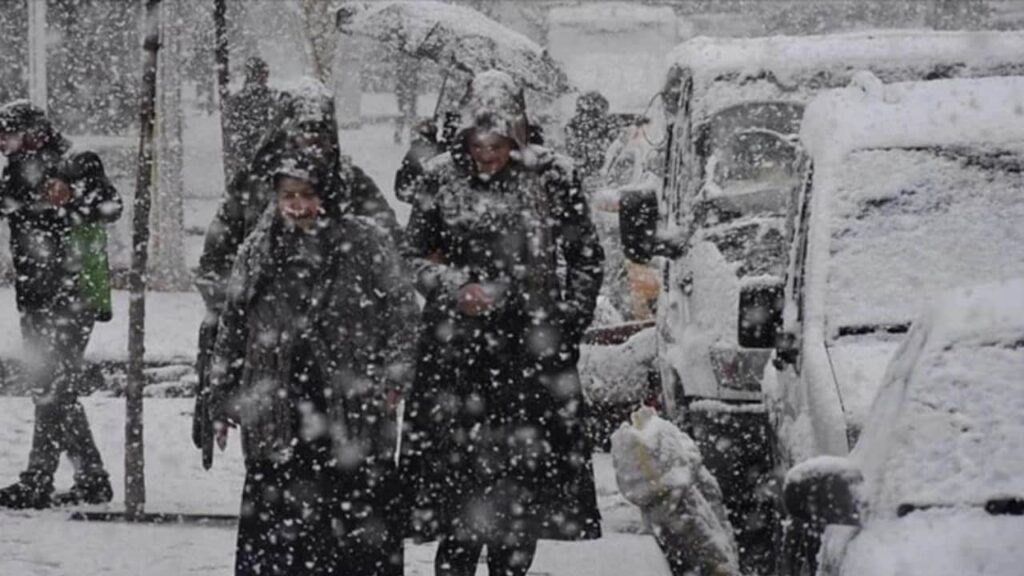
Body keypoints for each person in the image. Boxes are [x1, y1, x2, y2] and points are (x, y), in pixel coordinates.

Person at [402, 70, 606, 576]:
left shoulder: (553, 176)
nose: (487, 154)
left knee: (520, 505)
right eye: (478, 142)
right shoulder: (440, 177)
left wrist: (565, 323)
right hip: (455, 360)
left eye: (497, 143)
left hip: (529, 361)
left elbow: (586, 258)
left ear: (517, 133)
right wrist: (453, 286)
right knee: (456, 504)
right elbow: (409, 258)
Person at [207, 149, 418, 576]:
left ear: (330, 194)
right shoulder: (258, 249)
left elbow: (402, 311)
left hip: (351, 407)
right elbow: (231, 326)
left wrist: (395, 372)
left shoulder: (365, 241)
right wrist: (221, 398)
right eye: (289, 195)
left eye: (308, 194)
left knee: (355, 530)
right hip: (277, 408)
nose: (298, 206)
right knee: (281, 537)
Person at [0, 100, 122, 509]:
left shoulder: (77, 161)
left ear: (33, 131)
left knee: (53, 388)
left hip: (73, 297)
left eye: (7, 134)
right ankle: (92, 479)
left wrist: (71, 196)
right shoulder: (16, 170)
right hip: (34, 298)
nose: (1, 143)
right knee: (53, 388)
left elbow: (111, 207)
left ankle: (38, 479)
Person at [222, 56, 280, 183]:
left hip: (260, 158)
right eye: (261, 73)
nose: (264, 77)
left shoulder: (272, 98)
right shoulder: (238, 101)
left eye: (265, 74)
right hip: (252, 158)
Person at [564, 91, 616, 182]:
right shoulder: (573, 127)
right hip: (583, 172)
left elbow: (619, 119)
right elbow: (574, 153)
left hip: (595, 171)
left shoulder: (604, 124)